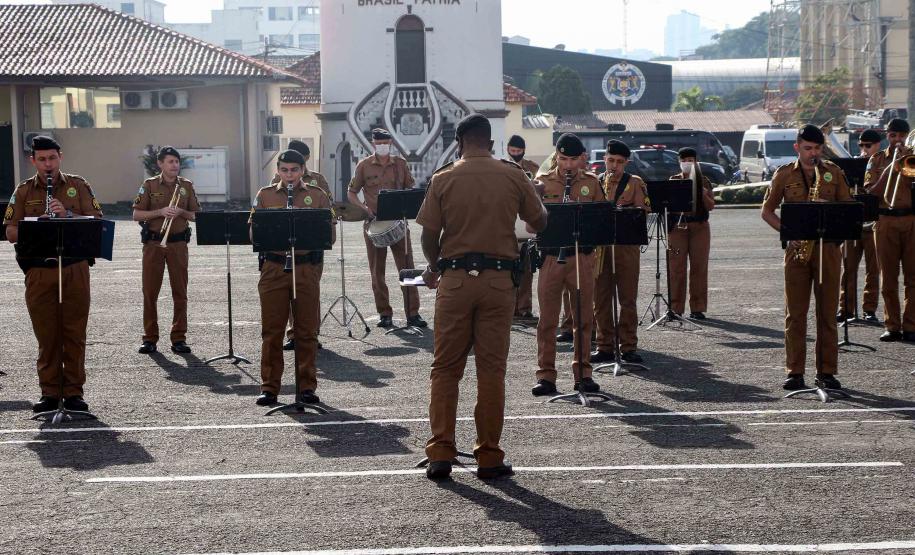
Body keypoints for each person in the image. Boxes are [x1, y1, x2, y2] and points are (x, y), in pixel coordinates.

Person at [417, 114, 547, 481]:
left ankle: (440, 451)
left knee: (445, 368)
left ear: (459, 141)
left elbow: (429, 234)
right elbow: (538, 222)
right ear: (490, 142)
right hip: (498, 282)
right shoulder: (512, 174)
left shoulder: (443, 177)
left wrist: (434, 264)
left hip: (455, 281)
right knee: (491, 371)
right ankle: (488, 456)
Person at [4, 135, 103, 413]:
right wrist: (38, 224)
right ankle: (49, 393)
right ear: (32, 161)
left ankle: (73, 393)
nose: (48, 164)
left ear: (60, 156)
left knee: (74, 332)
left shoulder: (79, 185)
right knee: (47, 335)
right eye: (42, 159)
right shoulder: (23, 191)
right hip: (39, 271)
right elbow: (10, 231)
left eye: (53, 158)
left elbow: (97, 223)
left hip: (74, 268)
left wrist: (67, 215)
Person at [761, 124, 853, 391]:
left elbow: (849, 210)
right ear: (797, 147)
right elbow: (766, 211)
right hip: (797, 251)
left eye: (817, 149)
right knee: (795, 314)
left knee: (827, 314)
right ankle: (795, 371)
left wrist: (831, 210)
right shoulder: (784, 174)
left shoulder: (834, 173)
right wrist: (787, 233)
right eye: (807, 148)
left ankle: (826, 371)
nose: (813, 154)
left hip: (827, 251)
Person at [250, 149, 335, 407]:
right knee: (272, 331)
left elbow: (329, 236)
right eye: (284, 170)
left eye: (294, 170)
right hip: (274, 268)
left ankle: (306, 387)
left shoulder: (317, 195)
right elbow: (254, 235)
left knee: (306, 331)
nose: (289, 175)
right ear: (277, 170)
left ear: (302, 170)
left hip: (305, 268)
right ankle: (269, 387)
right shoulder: (264, 195)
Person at [531, 133, 604, 397]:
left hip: (581, 257)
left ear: (582, 158)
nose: (568, 165)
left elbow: (602, 224)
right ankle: (546, 376)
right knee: (547, 320)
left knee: (584, 319)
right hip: (552, 256)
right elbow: (530, 225)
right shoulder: (542, 182)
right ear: (556, 158)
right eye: (563, 159)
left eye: (573, 159)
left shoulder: (593, 183)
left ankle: (583, 374)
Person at [348, 129, 426, 329]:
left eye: (386, 142)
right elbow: (352, 192)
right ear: (373, 144)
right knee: (377, 271)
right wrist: (365, 209)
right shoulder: (363, 166)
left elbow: (410, 188)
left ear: (391, 142)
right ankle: (384, 314)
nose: (383, 145)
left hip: (398, 222)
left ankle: (413, 314)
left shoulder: (400, 164)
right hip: (374, 223)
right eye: (379, 142)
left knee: (407, 268)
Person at [132, 146, 200, 354]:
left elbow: (197, 215)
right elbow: (136, 215)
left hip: (178, 244)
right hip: (154, 244)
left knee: (180, 292)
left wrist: (181, 211)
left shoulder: (186, 186)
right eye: (170, 162)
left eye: (177, 162)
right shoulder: (149, 185)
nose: (174, 165)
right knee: (150, 292)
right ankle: (149, 338)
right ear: (160, 164)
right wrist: (160, 211)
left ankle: (179, 338)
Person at [590, 140, 650, 365]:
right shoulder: (596, 182)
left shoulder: (634, 183)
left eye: (619, 162)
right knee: (601, 299)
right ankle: (604, 345)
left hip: (625, 248)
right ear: (605, 159)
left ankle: (628, 346)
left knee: (627, 298)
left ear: (626, 163)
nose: (614, 165)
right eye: (611, 160)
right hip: (602, 249)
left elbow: (643, 212)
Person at [274, 140, 330, 351]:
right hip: (285, 244)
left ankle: (311, 333)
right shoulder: (276, 180)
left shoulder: (318, 180)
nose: (290, 171)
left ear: (304, 163)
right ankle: (293, 334)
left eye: (296, 165)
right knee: (289, 291)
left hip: (311, 246)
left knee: (310, 291)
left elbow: (328, 209)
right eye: (285, 167)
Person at [866, 119, 915, 342]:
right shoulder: (877, 160)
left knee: (913, 278)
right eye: (893, 135)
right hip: (885, 220)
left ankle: (911, 325)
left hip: (911, 220)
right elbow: (872, 191)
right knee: (888, 277)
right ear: (887, 136)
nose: (897, 140)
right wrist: (891, 167)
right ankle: (892, 325)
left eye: (901, 136)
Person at [838, 129, 882, 324]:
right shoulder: (852, 166)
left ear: (877, 145)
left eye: (868, 145)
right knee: (848, 268)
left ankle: (869, 309)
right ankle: (845, 308)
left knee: (873, 270)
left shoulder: (883, 165)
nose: (864, 149)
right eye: (862, 145)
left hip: (874, 224)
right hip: (852, 224)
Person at [666, 147, 715, 320]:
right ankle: (675, 308)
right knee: (676, 268)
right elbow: (667, 205)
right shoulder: (673, 180)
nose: (688, 163)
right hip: (678, 228)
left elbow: (711, 206)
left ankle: (698, 308)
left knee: (699, 267)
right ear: (679, 162)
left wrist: (702, 193)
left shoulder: (704, 180)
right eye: (684, 160)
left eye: (691, 160)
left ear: (696, 162)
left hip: (699, 227)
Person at [507, 134, 541, 324]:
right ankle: (510, 308)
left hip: (526, 225)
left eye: (519, 152)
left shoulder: (533, 168)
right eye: (513, 151)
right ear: (508, 150)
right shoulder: (502, 167)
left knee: (527, 270)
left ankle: (524, 308)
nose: (516, 154)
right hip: (509, 225)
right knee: (509, 270)